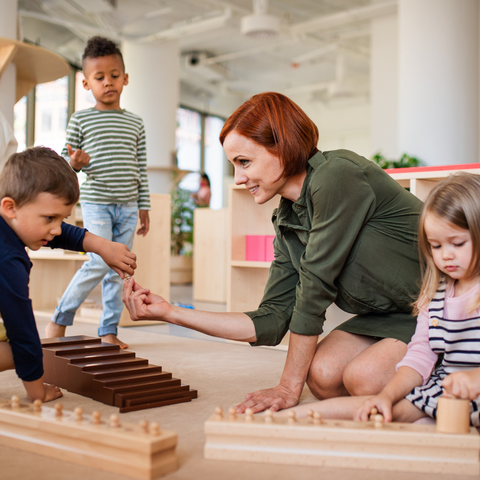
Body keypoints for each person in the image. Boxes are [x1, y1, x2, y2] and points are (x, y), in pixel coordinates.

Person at [123, 92, 423, 413]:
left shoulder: (337, 175)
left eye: (244, 162)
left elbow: (314, 292)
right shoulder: (287, 218)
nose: (238, 179)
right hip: (391, 316)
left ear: (282, 147)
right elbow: (272, 319)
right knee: (322, 376)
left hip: (444, 308)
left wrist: (287, 387)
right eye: (234, 165)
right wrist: (172, 313)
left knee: (365, 378)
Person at [285, 173, 480, 424]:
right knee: (383, 413)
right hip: (449, 390)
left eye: (457, 243)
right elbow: (420, 356)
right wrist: (387, 396)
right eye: (437, 246)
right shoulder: (435, 296)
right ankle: (285, 416)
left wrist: (474, 379)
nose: (446, 256)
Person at [0, 147, 136, 402]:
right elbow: (22, 328)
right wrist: (37, 390)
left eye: (61, 219)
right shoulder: (7, 259)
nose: (55, 229)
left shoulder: (9, 220)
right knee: (23, 346)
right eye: (49, 218)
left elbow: (62, 232)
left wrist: (102, 245)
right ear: (10, 207)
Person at [46, 36, 151, 349]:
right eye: (99, 77)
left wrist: (144, 207)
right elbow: (66, 169)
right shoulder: (80, 119)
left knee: (119, 269)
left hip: (129, 206)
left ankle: (108, 330)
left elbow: (140, 168)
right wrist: (74, 164)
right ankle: (60, 318)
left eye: (114, 76)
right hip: (96, 202)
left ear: (125, 78)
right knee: (99, 261)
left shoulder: (136, 123)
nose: (108, 83)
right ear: (86, 83)